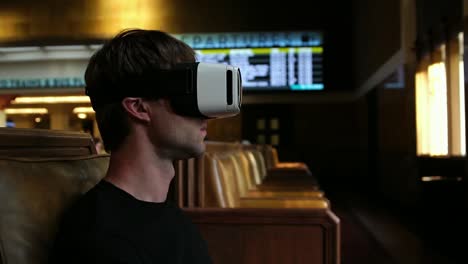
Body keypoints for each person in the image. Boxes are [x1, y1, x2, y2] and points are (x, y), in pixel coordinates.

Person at [49, 29, 213, 263]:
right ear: (139, 108)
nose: (204, 115)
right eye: (186, 95)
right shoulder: (101, 239)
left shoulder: (167, 215)